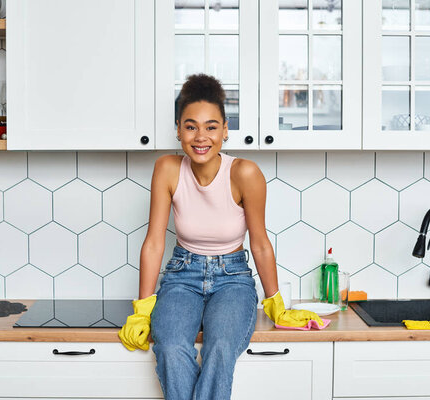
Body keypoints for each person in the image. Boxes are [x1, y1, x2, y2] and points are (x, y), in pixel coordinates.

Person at [119, 74, 323, 400]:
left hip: (233, 279)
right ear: (178, 129)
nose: (201, 136)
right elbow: (155, 241)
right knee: (170, 347)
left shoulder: (245, 173)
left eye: (211, 127)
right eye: (191, 126)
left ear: (225, 130)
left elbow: (259, 241)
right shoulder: (167, 169)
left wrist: (276, 303)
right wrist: (142, 309)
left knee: (221, 347)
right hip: (181, 277)